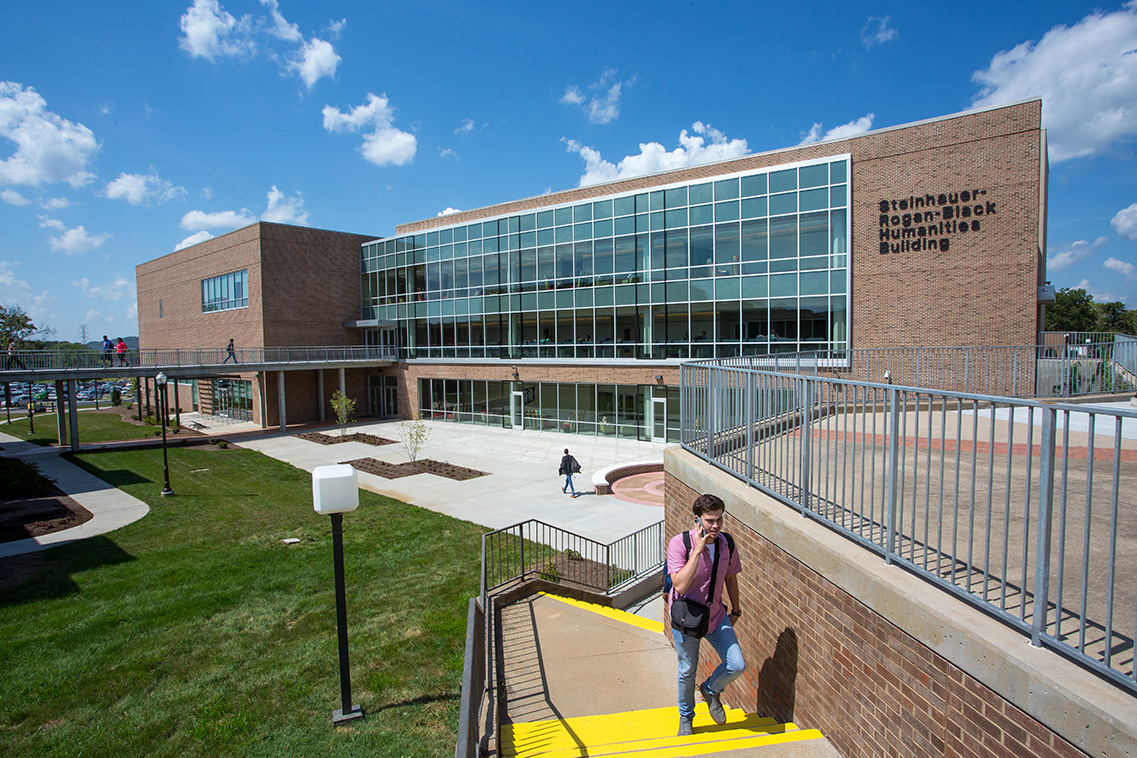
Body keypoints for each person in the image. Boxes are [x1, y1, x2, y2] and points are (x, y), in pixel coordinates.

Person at [667, 493, 745, 736]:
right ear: (697, 520)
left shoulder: (726, 543)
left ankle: (711, 689)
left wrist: (735, 610)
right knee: (687, 670)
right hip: (686, 618)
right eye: (710, 520)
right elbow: (679, 585)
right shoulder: (680, 544)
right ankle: (686, 717)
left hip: (715, 615)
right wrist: (698, 551)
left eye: (720, 520)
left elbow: (731, 578)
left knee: (737, 665)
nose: (716, 526)